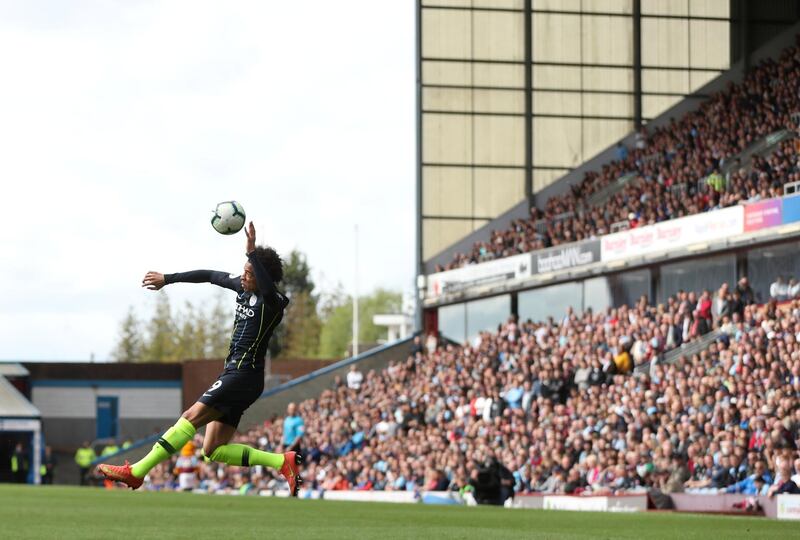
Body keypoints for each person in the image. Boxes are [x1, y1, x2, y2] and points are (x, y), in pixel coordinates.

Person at [96, 222, 303, 495]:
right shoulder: (243, 289)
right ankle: (281, 461)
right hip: (240, 378)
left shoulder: (273, 302)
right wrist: (168, 278)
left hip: (242, 375)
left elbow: (265, 287)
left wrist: (252, 253)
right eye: (243, 271)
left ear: (261, 275)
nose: (243, 276)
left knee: (190, 416)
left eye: (249, 273)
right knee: (212, 450)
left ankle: (137, 472)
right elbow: (208, 275)